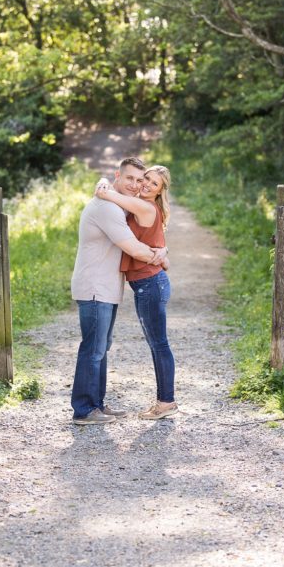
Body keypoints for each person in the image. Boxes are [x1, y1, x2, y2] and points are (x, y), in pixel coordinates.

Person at [71, 157, 168, 426]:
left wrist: (164, 249)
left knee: (101, 347)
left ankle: (96, 404)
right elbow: (134, 248)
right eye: (130, 179)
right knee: (93, 348)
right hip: (94, 287)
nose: (136, 185)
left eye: (140, 180)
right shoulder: (108, 209)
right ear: (117, 176)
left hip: (106, 289)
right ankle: (84, 409)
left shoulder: (116, 204)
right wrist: (162, 257)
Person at [94, 165, 178, 421]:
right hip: (150, 283)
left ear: (161, 191)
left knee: (159, 343)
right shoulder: (145, 206)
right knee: (157, 343)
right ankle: (164, 401)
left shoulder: (143, 206)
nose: (146, 185)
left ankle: (166, 402)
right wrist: (162, 255)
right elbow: (160, 250)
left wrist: (103, 183)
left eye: (153, 184)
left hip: (150, 285)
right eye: (145, 179)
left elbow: (107, 194)